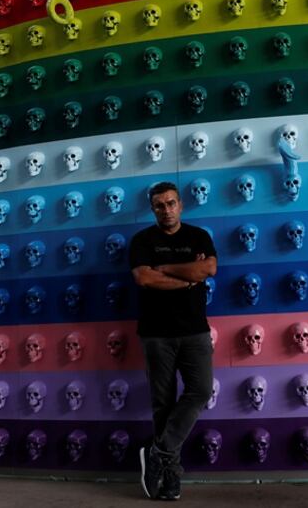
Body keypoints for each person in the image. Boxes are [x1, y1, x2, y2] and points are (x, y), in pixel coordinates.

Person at [130, 181, 217, 501]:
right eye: (159, 205)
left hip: (195, 331)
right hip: (156, 334)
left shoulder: (199, 236)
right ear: (152, 208)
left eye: (170, 203)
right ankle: (170, 479)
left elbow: (209, 268)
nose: (166, 210)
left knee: (201, 391)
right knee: (163, 405)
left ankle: (159, 454)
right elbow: (144, 278)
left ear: (180, 204)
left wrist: (166, 268)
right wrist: (187, 278)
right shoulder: (142, 240)